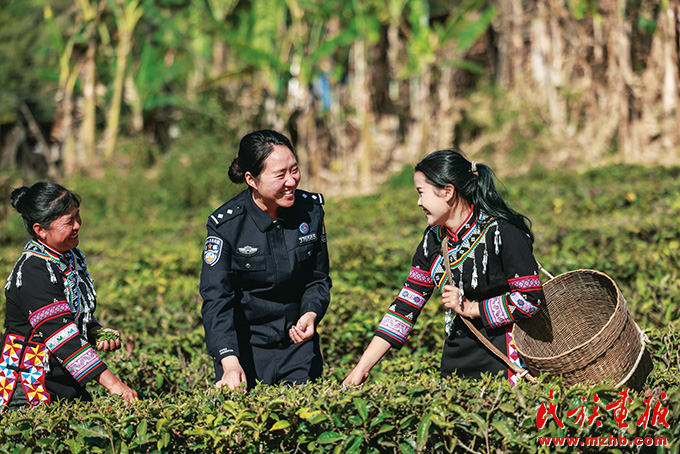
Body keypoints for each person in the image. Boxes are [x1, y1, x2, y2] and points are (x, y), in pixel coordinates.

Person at [343, 149, 544, 386]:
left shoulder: (502, 232)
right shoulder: (432, 241)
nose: (418, 202)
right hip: (456, 363)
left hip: (506, 361)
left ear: (447, 192)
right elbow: (405, 306)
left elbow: (531, 300)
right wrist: (362, 368)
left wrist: (474, 308)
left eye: (421, 193)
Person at [200, 129, 331, 390]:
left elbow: (317, 280)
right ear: (251, 179)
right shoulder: (226, 226)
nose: (291, 181)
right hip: (244, 353)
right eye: (280, 175)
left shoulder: (311, 211)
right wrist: (229, 362)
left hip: (298, 348)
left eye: (294, 170)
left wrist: (311, 313)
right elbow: (217, 300)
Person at [1, 182, 137, 411]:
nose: (77, 225)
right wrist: (114, 384)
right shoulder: (34, 271)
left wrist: (94, 330)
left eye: (78, 216)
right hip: (29, 386)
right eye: (68, 221)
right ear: (40, 230)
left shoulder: (69, 257)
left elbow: (72, 313)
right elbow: (62, 337)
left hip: (64, 378)